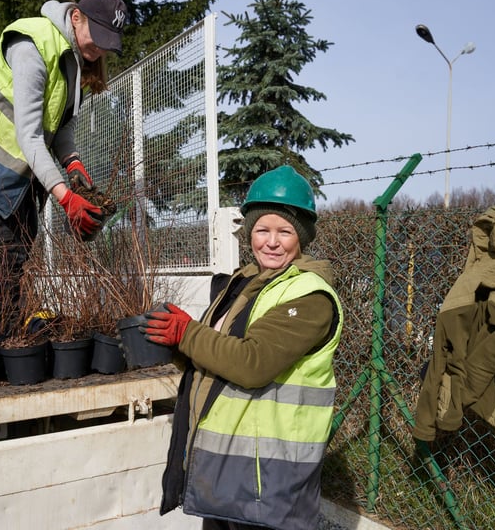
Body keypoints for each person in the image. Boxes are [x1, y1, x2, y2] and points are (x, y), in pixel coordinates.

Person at [140, 165, 344, 530]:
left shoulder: (310, 296)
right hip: (228, 471)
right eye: (262, 229)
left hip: (269, 480)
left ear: (301, 239)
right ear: (248, 233)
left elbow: (252, 363)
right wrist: (174, 343)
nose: (271, 241)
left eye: (285, 232)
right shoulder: (244, 282)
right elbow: (214, 349)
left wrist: (186, 334)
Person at [0, 0, 127, 336]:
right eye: (97, 36)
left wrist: (72, 163)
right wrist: (65, 197)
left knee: (17, 257)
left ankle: (2, 339)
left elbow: (62, 123)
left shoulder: (72, 57)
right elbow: (29, 135)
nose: (99, 49)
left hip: (17, 173)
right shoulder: (32, 48)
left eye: (107, 42)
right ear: (76, 17)